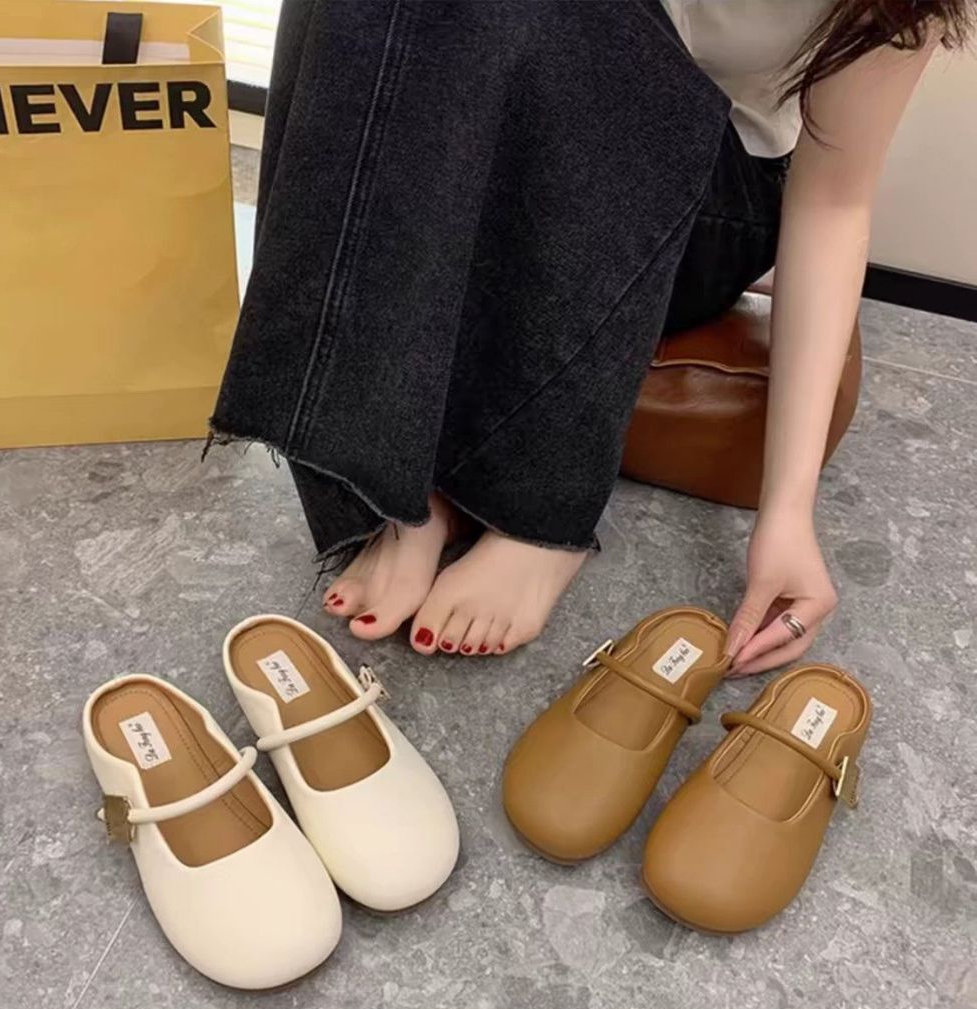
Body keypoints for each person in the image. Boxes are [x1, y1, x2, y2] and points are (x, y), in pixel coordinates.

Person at [209, 0, 969, 665]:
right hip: (529, 139)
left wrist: (789, 512)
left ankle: (540, 517)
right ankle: (399, 468)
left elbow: (833, 205)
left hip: (701, 202)